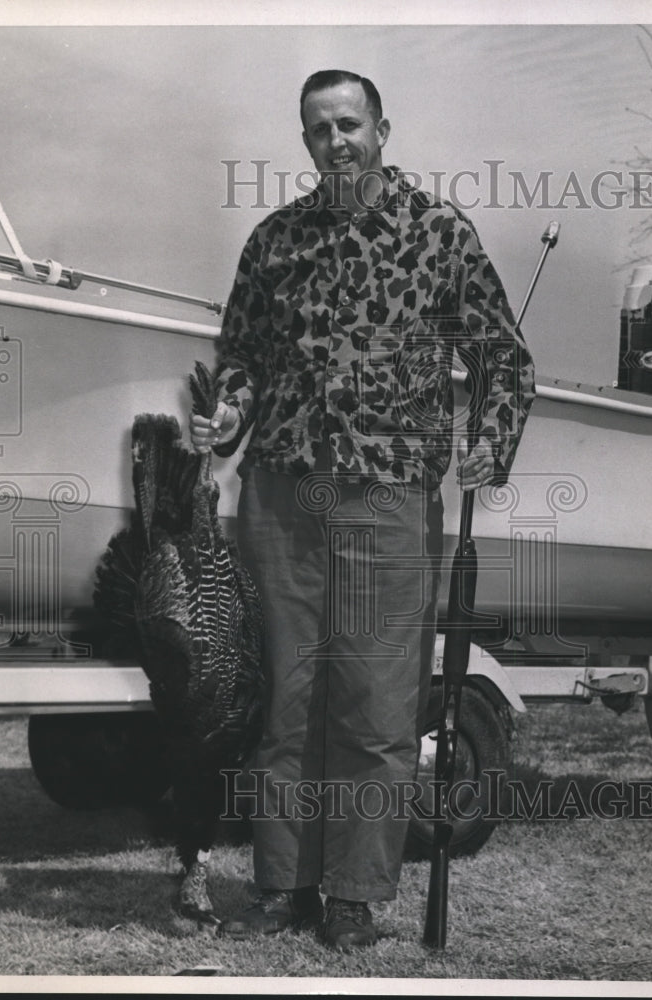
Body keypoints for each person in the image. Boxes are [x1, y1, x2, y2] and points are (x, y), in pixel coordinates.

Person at [191, 69, 535, 949]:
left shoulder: (438, 235)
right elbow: (241, 361)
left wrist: (489, 441)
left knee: (378, 708)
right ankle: (281, 885)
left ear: (382, 129)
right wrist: (228, 412)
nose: (334, 141)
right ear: (304, 142)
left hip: (388, 498)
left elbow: (504, 357)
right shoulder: (275, 242)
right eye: (317, 130)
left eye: (348, 124)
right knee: (287, 701)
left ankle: (353, 895)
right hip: (281, 498)